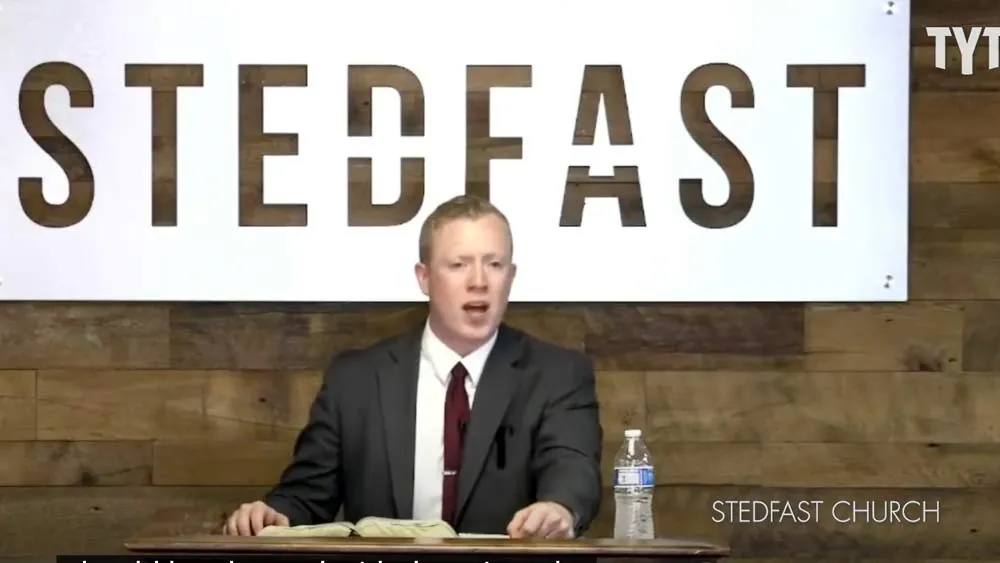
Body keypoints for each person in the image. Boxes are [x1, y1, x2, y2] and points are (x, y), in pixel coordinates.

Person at [223, 195, 602, 539]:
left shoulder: (557, 376)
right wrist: (271, 514)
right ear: (424, 278)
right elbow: (306, 496)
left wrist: (559, 508)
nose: (479, 282)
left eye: (494, 265)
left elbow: (571, 469)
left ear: (511, 277)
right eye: (459, 265)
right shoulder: (355, 380)